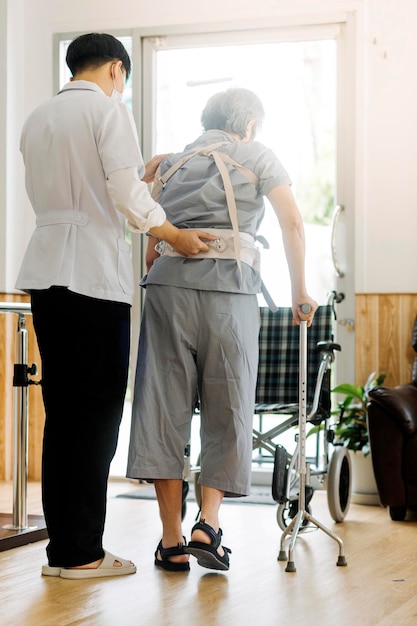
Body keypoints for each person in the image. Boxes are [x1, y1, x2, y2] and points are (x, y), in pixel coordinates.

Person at [15, 32, 214, 580]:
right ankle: (84, 554)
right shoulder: (109, 110)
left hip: (47, 274)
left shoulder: (39, 117)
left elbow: (83, 185)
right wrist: (173, 233)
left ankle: (65, 552)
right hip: (92, 280)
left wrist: (137, 179)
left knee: (65, 417)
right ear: (116, 71)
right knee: (99, 416)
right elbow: (126, 198)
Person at [127, 87, 318, 572]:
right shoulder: (256, 154)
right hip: (228, 292)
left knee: (161, 408)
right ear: (249, 125)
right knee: (228, 403)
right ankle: (206, 525)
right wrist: (300, 290)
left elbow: (151, 244)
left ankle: (170, 542)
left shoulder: (169, 163)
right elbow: (292, 222)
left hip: (166, 291)